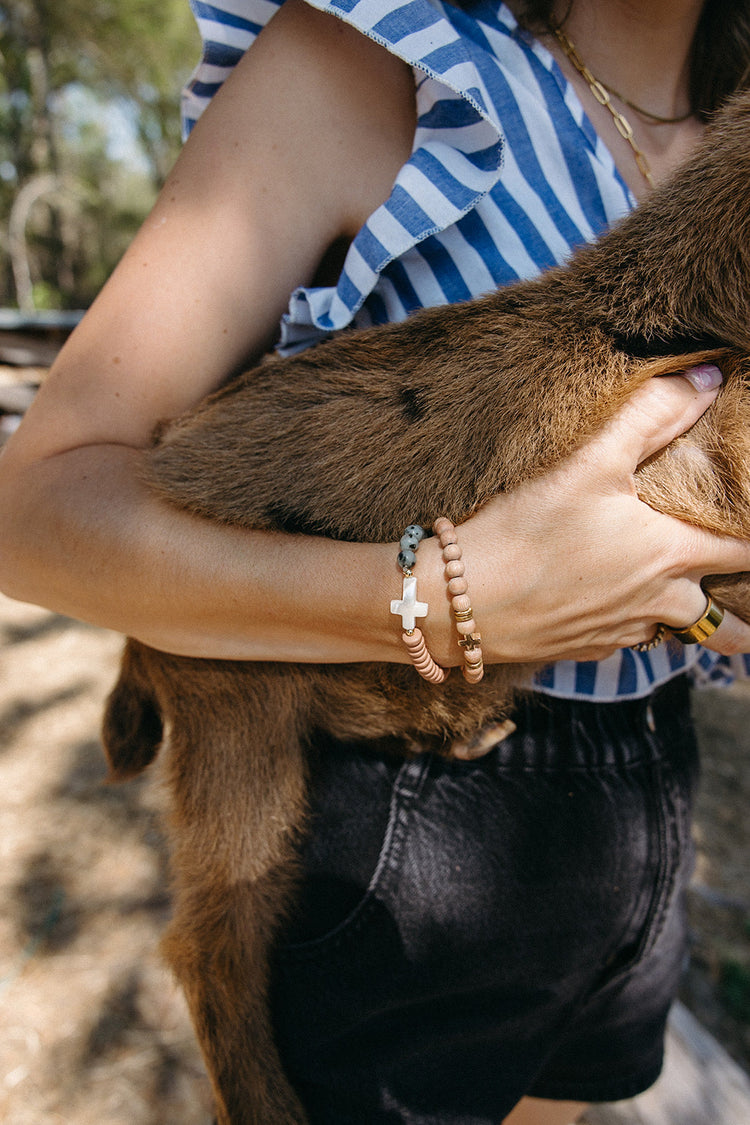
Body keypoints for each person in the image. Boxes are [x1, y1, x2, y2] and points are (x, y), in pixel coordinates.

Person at [1, 0, 750, 1121]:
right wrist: (449, 601)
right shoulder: (373, 62)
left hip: (646, 802)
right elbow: (33, 513)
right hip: (400, 815)